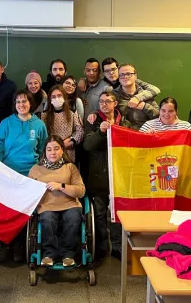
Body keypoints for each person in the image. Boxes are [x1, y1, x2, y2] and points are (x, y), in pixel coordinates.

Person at [0, 89, 48, 263]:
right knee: (7, 212)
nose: (21, 104)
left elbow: (43, 150)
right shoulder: (6, 123)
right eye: (18, 101)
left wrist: (38, 172)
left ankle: (20, 247)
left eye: (24, 101)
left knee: (24, 212)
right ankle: (6, 246)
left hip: (30, 176)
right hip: (8, 175)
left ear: (31, 104)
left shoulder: (39, 125)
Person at [83, 91, 131, 261]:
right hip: (98, 177)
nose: (104, 104)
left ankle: (117, 246)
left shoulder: (125, 123)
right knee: (99, 213)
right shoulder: (92, 121)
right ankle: (102, 247)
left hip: (119, 176)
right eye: (101, 101)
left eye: (108, 101)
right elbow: (88, 145)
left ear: (115, 103)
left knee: (117, 214)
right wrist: (101, 132)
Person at [28, 135, 85, 267]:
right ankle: (49, 254)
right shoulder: (36, 169)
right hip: (47, 206)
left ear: (62, 150)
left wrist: (61, 186)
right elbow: (28, 192)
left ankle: (68, 254)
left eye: (56, 148)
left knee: (73, 217)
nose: (52, 152)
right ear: (45, 152)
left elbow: (81, 191)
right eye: (49, 149)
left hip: (70, 204)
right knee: (48, 219)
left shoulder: (70, 167)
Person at [41, 85, 84, 163]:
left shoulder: (72, 112)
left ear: (64, 97)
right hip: (51, 152)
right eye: (53, 97)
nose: (56, 98)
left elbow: (80, 131)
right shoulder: (44, 115)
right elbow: (42, 134)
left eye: (59, 95)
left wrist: (72, 141)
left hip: (68, 151)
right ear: (50, 99)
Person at [111, 64, 159, 130]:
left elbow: (160, 117)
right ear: (118, 78)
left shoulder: (146, 95)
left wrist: (145, 107)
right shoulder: (113, 95)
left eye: (128, 74)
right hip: (124, 133)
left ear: (135, 76)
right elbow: (106, 114)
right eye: (121, 75)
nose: (125, 77)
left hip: (145, 133)